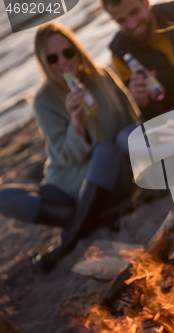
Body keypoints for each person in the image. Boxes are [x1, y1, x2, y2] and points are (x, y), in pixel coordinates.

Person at [0, 22, 141, 273]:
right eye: (52, 58)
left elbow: (132, 129)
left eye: (68, 53)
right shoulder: (44, 100)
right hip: (67, 187)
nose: (63, 62)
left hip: (110, 179)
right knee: (4, 198)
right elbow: (65, 156)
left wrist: (142, 100)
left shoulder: (104, 77)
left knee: (106, 150)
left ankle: (70, 239)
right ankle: (87, 219)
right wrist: (75, 121)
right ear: (44, 64)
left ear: (77, 50)